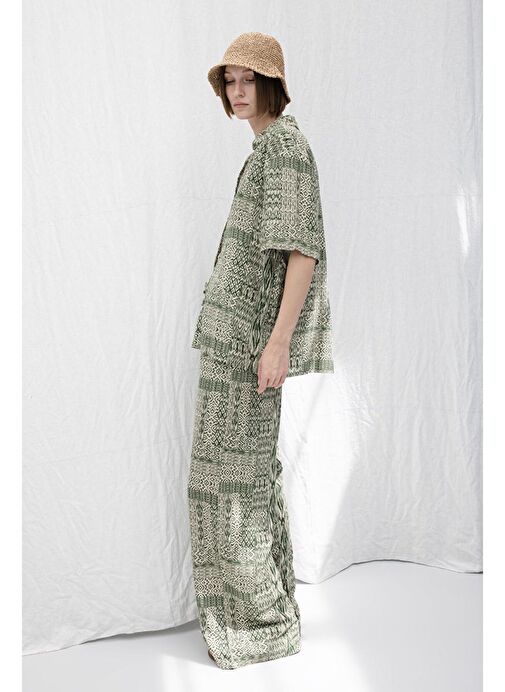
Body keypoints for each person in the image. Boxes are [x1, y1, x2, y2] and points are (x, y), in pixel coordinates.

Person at [186, 32, 334, 669]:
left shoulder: (286, 149)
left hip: (250, 350)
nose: (238, 91)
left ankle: (259, 626)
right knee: (232, 483)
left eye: (249, 80)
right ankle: (260, 617)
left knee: (234, 489)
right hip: (230, 344)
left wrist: (277, 346)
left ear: (273, 84)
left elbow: (302, 252)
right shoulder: (266, 149)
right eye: (231, 81)